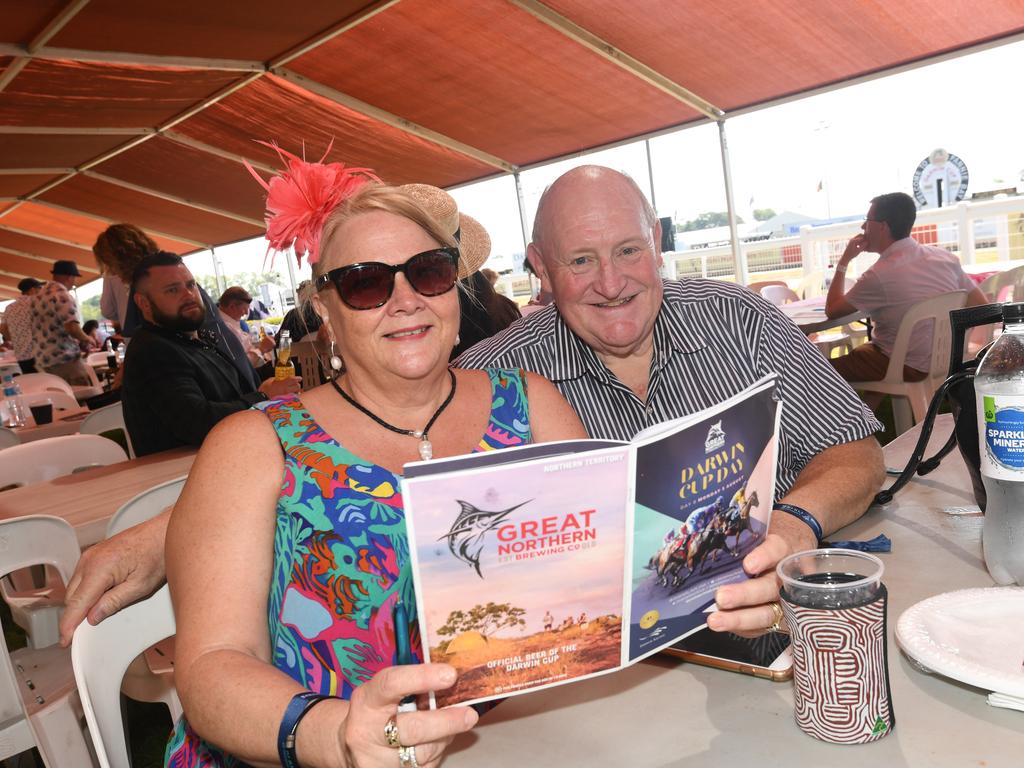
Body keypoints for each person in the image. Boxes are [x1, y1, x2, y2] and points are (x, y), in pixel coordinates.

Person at [160, 176, 585, 766]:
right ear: (325, 313)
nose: (405, 299)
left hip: (507, 738)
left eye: (429, 271)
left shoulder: (533, 405)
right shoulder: (255, 445)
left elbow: (600, 575)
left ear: (455, 289)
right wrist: (336, 735)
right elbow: (210, 668)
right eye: (366, 283)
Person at [457, 165, 886, 635]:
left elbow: (854, 452)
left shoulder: (741, 320)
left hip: (780, 616)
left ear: (656, 242)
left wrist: (794, 523)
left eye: (628, 250)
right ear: (541, 267)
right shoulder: (490, 382)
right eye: (580, 260)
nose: (611, 282)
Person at [121, 253, 300, 457]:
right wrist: (263, 397)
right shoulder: (152, 351)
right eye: (172, 290)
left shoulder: (191, 339)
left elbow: (236, 390)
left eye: (191, 285)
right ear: (143, 303)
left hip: (231, 456)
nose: (188, 295)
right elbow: (196, 423)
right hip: (185, 477)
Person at [825, 191, 987, 388]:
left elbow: (832, 310)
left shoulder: (879, 275)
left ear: (882, 226)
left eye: (867, 220)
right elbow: (981, 306)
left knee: (818, 369)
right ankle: (868, 414)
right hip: (948, 359)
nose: (863, 227)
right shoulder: (945, 259)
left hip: (905, 365)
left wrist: (844, 260)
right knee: (871, 350)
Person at [92, 222, 261, 389]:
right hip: (223, 356)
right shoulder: (169, 272)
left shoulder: (149, 286)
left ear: (116, 260)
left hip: (216, 362)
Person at [30, 259, 95, 385]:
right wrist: (88, 338)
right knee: (82, 397)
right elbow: (72, 327)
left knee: (61, 399)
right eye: (75, 278)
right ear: (69, 277)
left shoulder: (37, 296)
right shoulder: (62, 295)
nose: (74, 282)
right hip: (64, 358)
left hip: (43, 359)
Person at [217, 285, 275, 370]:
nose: (246, 313)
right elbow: (240, 365)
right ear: (232, 307)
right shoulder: (225, 328)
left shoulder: (230, 323)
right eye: (244, 309)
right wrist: (262, 349)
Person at [0, 277, 43, 373]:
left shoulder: (9, 307)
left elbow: (2, 328)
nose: (41, 291)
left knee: (32, 383)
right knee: (49, 383)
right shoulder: (37, 303)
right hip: (40, 353)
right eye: (39, 288)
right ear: (32, 290)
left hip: (22, 356)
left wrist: (13, 339)